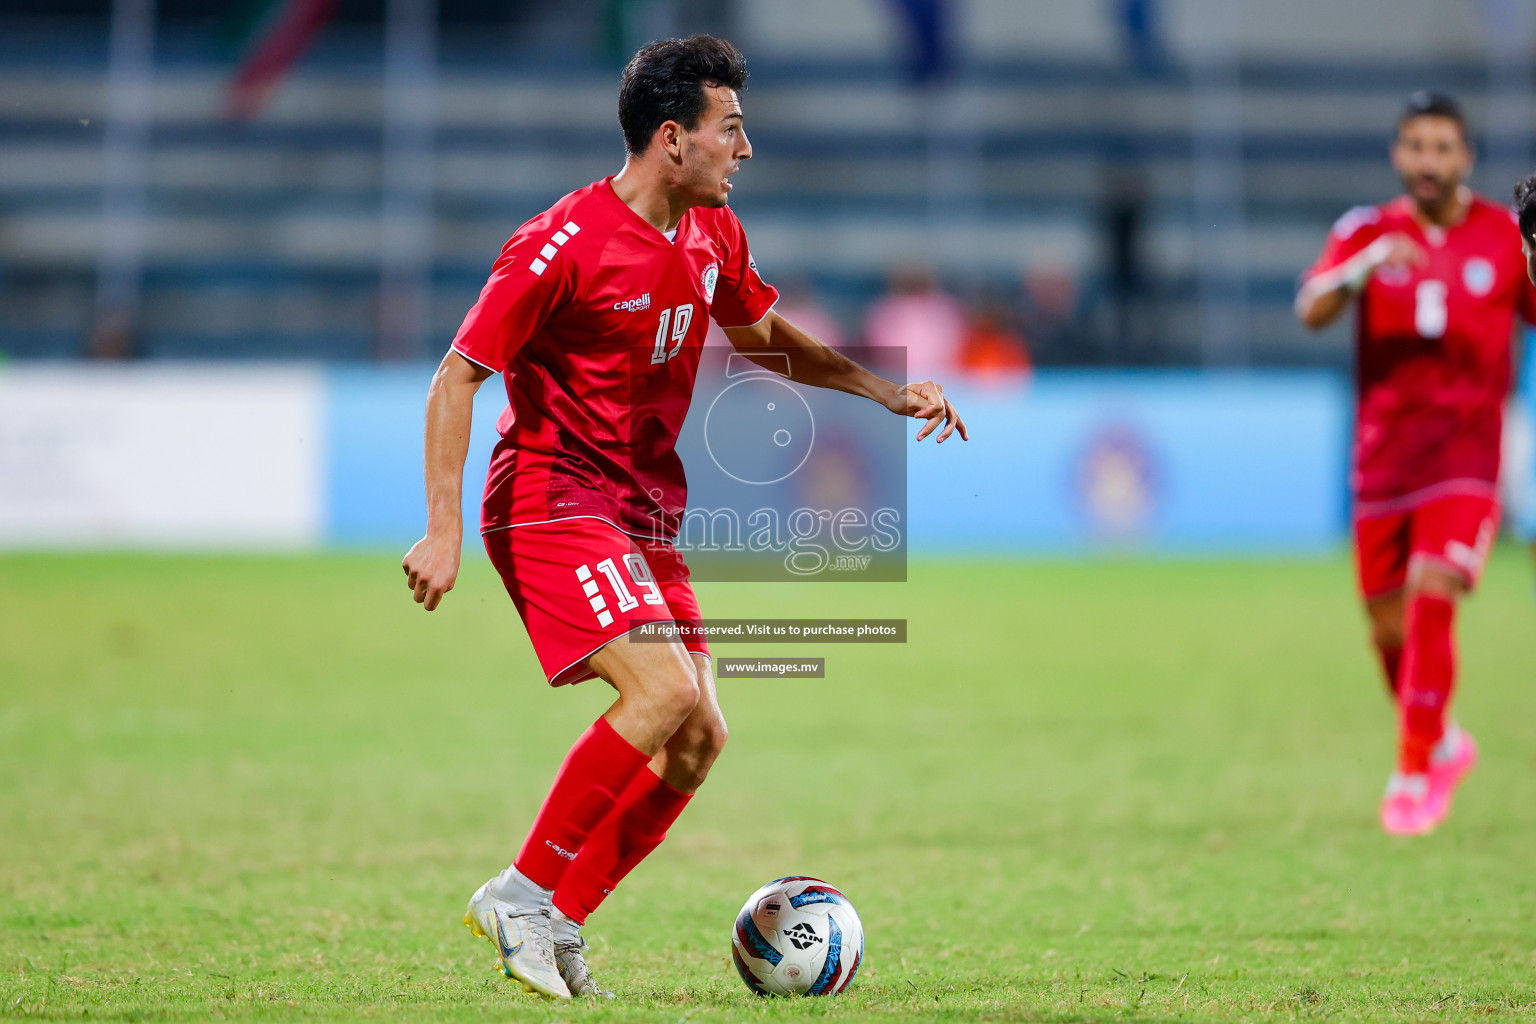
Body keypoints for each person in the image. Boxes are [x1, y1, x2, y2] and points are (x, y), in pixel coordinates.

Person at [399, 36, 967, 1000]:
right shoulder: (559, 245)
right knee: (659, 693)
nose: (745, 149)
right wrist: (442, 528)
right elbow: (458, 374)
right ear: (673, 139)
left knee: (700, 735)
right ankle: (521, 894)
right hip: (550, 496)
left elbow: (767, 340)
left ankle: (560, 918)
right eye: (731, 130)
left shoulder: (712, 236)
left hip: (647, 511)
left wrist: (881, 389)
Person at [1296, 91, 1536, 836]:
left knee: (1435, 591)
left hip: (1466, 458)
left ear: (1465, 157)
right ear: (1398, 155)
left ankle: (1412, 772)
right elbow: (1310, 308)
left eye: (1442, 148)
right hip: (1383, 464)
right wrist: (1361, 269)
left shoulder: (1501, 235)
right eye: (1415, 147)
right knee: (1385, 628)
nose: (1427, 162)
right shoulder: (1366, 231)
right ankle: (1446, 741)